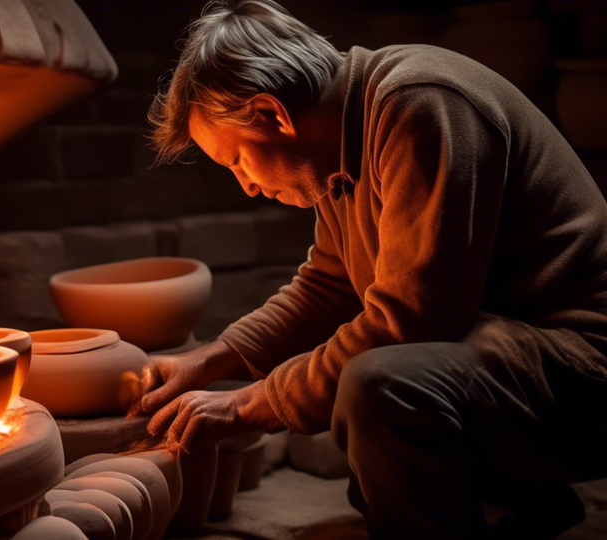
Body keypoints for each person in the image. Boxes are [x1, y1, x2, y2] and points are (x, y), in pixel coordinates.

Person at [137, 1, 607, 538]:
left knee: (378, 385)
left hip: (585, 376)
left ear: (273, 114)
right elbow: (329, 285)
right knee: (371, 419)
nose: (244, 184)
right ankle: (526, 506)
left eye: (237, 159)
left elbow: (413, 321)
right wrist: (209, 360)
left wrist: (251, 402)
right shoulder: (342, 144)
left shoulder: (420, 104)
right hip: (518, 364)